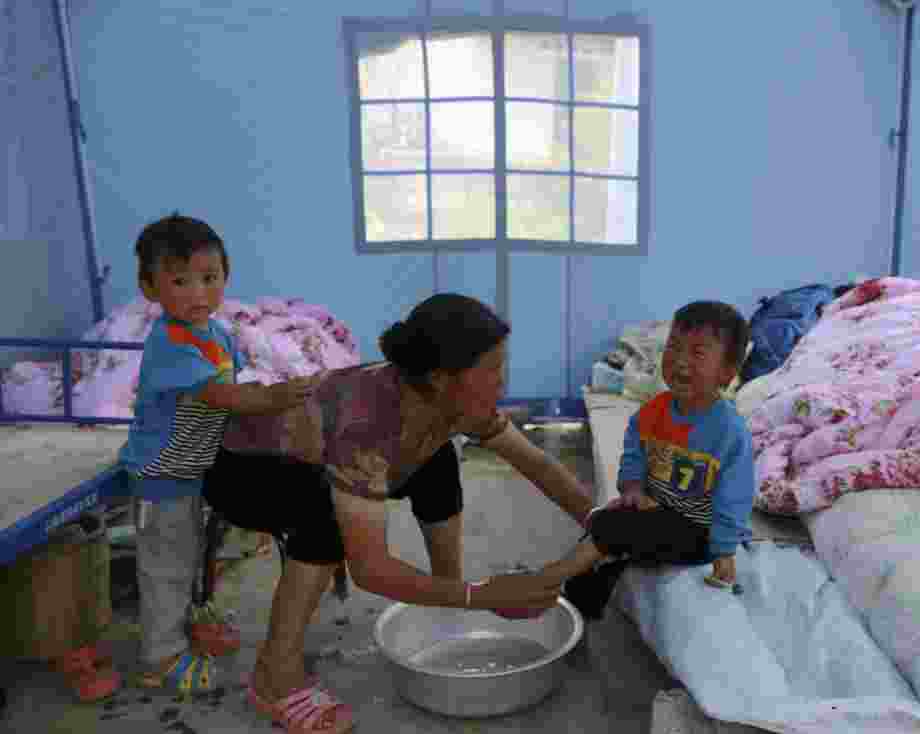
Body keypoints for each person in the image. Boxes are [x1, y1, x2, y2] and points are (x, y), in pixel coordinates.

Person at [205, 292, 599, 733]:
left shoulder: (454, 402)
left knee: (438, 458)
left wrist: (598, 520)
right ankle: (274, 675)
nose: (503, 381)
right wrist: (486, 595)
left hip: (327, 461)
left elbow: (537, 464)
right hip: (244, 472)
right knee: (324, 517)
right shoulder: (368, 424)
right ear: (441, 378)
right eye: (491, 369)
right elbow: (371, 571)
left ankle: (448, 594)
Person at [117, 213, 319, 695]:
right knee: (165, 568)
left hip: (193, 468)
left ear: (226, 277)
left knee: (188, 556)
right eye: (180, 281)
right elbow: (222, 395)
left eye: (209, 278)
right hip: (161, 474)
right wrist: (275, 397)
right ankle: (161, 657)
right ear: (149, 288)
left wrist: (275, 401)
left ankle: (187, 624)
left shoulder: (218, 334)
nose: (198, 293)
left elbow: (239, 382)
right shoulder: (170, 342)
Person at [555, 300, 756, 620]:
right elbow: (633, 455)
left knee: (614, 528)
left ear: (727, 372)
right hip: (656, 510)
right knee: (604, 523)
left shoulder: (729, 431)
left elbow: (735, 498)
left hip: (699, 533)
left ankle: (548, 581)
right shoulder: (653, 411)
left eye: (697, 353)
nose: (680, 361)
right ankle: (578, 603)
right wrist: (632, 489)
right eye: (673, 348)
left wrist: (723, 551)